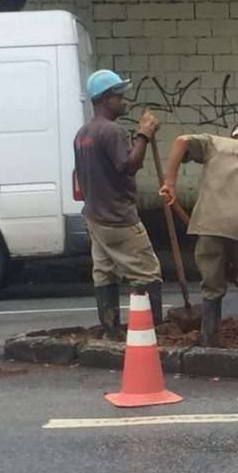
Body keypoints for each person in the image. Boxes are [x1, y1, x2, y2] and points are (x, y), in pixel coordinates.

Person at [159, 119, 238, 349]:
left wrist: (170, 182)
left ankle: (210, 343)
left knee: (212, 286)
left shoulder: (216, 144)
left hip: (208, 225)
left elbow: (181, 141)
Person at [74, 69, 163, 339]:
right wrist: (143, 135)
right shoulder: (112, 131)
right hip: (118, 217)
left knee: (105, 273)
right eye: (119, 95)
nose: (125, 100)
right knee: (147, 273)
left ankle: (111, 331)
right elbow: (128, 166)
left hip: (94, 215)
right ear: (104, 99)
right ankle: (151, 334)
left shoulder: (82, 133)